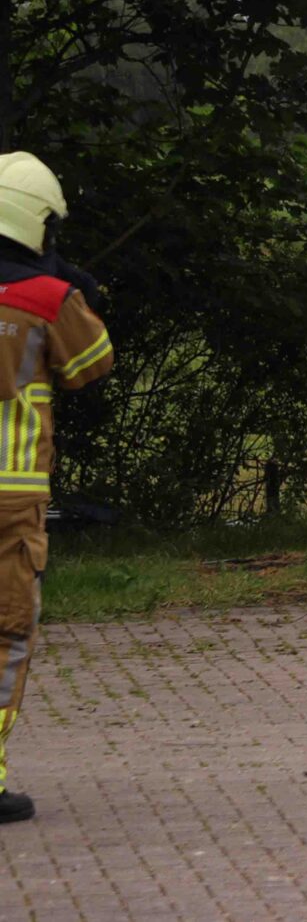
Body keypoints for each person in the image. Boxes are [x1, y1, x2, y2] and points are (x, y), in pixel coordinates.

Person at [0, 153, 114, 826]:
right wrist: (78, 291)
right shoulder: (46, 297)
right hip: (11, 500)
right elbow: (91, 364)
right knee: (7, 635)